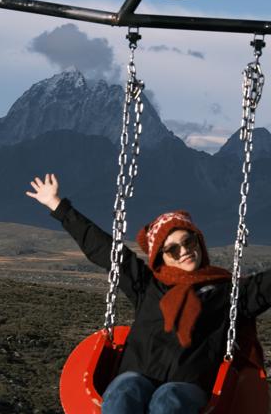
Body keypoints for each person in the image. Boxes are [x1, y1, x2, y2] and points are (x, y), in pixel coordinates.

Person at [26, 173, 269, 414]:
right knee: (124, 390)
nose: (184, 251)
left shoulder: (227, 293)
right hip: (137, 378)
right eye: (172, 249)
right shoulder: (147, 285)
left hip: (188, 388)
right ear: (160, 257)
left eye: (189, 241)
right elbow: (105, 249)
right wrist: (58, 206)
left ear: (199, 241)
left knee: (168, 399)